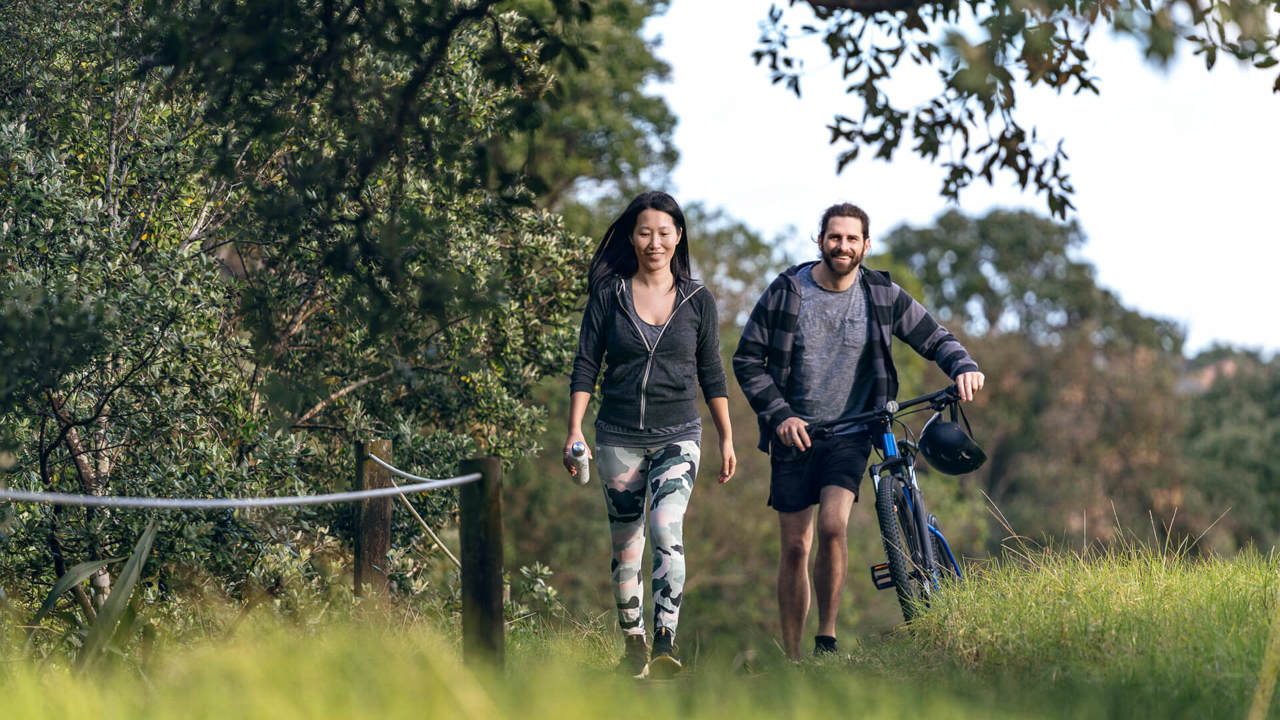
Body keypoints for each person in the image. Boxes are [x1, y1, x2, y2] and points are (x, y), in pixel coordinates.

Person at [732, 202, 985, 660]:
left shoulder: (881, 294)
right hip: (795, 434)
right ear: (820, 240)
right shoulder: (788, 291)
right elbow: (747, 359)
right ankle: (792, 659)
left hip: (852, 431)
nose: (842, 246)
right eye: (834, 237)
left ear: (866, 245)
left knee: (832, 527)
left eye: (852, 239)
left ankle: (825, 638)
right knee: (794, 547)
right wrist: (780, 414)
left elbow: (934, 337)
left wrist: (963, 366)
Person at [565, 191, 736, 679]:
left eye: (664, 232)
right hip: (617, 435)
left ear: (678, 236)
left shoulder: (698, 301)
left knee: (665, 528)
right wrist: (574, 428)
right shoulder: (609, 296)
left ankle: (665, 639)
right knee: (627, 545)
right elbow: (585, 365)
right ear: (632, 237)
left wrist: (726, 439)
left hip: (678, 435)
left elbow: (712, 373)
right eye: (645, 232)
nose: (654, 242)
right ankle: (633, 646)